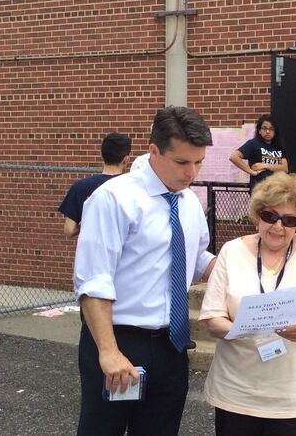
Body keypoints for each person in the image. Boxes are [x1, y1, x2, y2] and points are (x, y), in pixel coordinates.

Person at [73, 106, 217, 435]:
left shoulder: (189, 201)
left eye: (199, 162)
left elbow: (196, 260)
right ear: (153, 151)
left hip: (172, 345)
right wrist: (108, 351)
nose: (191, 172)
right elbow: (94, 281)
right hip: (121, 340)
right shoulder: (113, 198)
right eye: (182, 162)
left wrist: (251, 272)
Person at [198, 171, 296, 436]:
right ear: (257, 214)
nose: (278, 226)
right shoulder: (231, 251)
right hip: (237, 391)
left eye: (289, 220)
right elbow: (212, 318)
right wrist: (245, 327)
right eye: (270, 216)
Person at [58, 132, 131, 237]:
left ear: (103, 155)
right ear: (126, 159)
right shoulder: (131, 187)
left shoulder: (80, 187)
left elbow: (69, 230)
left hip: (90, 250)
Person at [229, 114, 288, 191]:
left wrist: (265, 165)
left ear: (275, 131)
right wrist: (251, 172)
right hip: (259, 191)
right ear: (259, 130)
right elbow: (234, 157)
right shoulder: (253, 144)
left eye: (271, 129)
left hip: (277, 190)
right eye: (264, 128)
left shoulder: (278, 147)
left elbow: (284, 168)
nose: (267, 131)